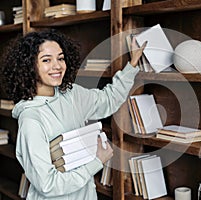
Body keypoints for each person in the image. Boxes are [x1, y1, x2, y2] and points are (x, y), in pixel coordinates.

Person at [0, 29, 146, 199]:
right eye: (46, 60)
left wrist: (132, 65)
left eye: (60, 58)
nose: (57, 66)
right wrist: (97, 162)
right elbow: (48, 185)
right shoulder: (31, 119)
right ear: (29, 66)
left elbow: (108, 99)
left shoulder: (72, 94)